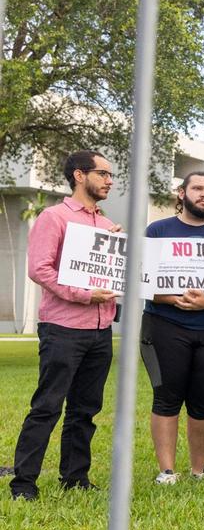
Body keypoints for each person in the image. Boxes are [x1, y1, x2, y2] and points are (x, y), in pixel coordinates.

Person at [10, 150, 119, 501]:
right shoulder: (53, 217)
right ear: (78, 175)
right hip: (63, 328)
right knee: (47, 406)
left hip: (101, 330)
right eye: (102, 173)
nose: (109, 181)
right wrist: (85, 294)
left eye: (110, 175)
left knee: (86, 409)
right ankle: (23, 483)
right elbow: (39, 269)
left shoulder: (106, 226)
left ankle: (75, 477)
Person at [141, 172, 204, 485]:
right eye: (197, 188)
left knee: (203, 401)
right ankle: (167, 471)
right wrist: (172, 298)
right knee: (166, 399)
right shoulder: (158, 230)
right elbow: (141, 280)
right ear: (183, 193)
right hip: (164, 325)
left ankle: (200, 469)